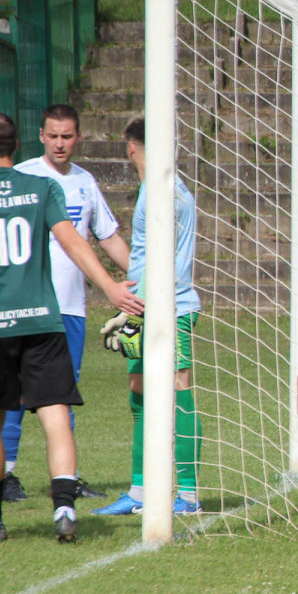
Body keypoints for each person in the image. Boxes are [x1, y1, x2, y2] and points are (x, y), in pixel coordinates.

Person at [0, 112, 142, 542]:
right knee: (55, 414)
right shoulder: (41, 186)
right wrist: (110, 287)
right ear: (20, 142)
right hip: (43, 321)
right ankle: (64, 506)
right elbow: (73, 241)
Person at [0, 104, 129, 503]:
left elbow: (106, 236)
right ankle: (5, 475)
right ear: (41, 136)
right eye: (53, 135)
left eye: (67, 136)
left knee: (63, 392)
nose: (60, 143)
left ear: (78, 137)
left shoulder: (86, 183)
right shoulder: (23, 176)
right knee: (14, 394)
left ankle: (67, 477)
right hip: (25, 305)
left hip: (70, 308)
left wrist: (148, 276)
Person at [93, 118, 204, 516]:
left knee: (178, 390)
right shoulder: (151, 190)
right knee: (140, 390)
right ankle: (140, 491)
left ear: (130, 147)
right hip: (145, 308)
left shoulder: (166, 193)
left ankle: (188, 496)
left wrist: (146, 306)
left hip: (171, 308)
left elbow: (169, 261)